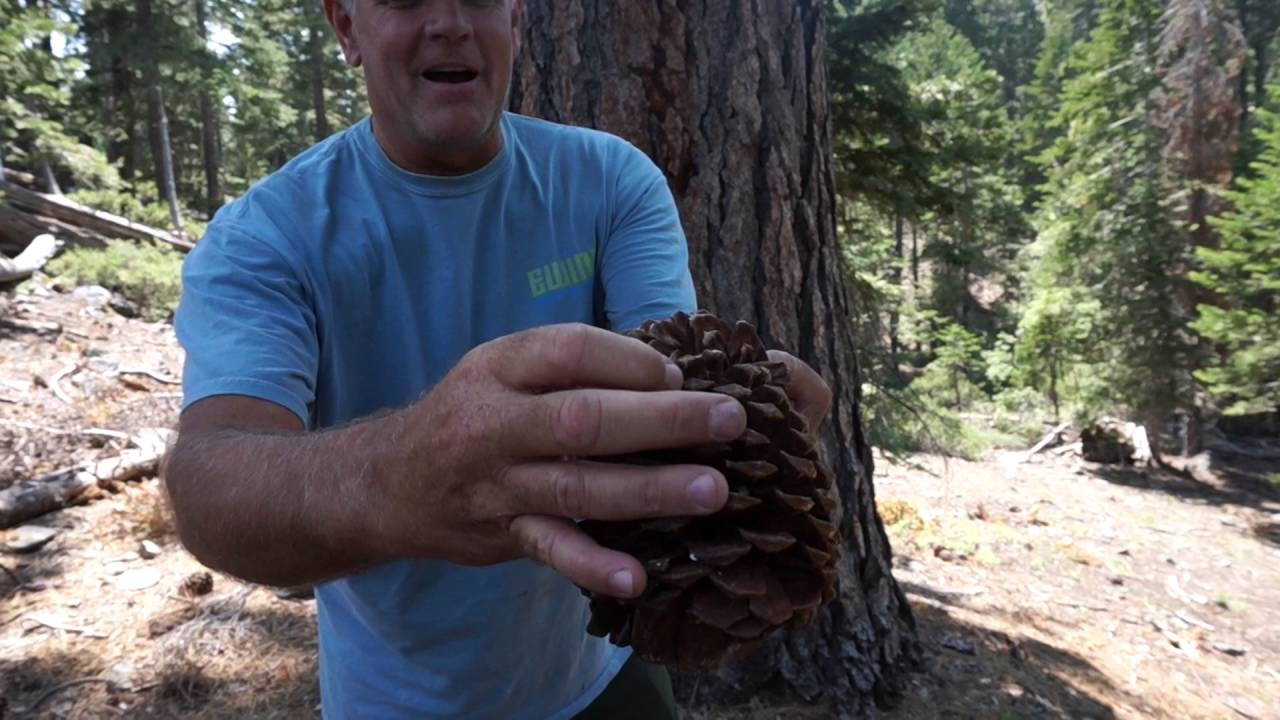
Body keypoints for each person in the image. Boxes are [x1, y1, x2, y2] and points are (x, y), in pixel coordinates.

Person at [164, 0, 832, 718]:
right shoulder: (265, 238)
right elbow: (211, 486)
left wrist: (748, 423)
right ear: (347, 27)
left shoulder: (610, 181)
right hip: (393, 701)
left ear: (515, 21)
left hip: (608, 673)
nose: (451, 21)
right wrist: (403, 477)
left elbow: (670, 389)